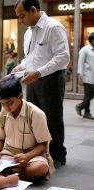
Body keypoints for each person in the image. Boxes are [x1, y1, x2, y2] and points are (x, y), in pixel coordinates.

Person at [12, 0, 70, 168]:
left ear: (33, 10)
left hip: (51, 79)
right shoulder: (28, 33)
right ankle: (40, 152)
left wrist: (38, 73)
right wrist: (21, 66)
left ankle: (58, 155)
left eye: (22, 16)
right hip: (32, 79)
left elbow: (62, 57)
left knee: (52, 117)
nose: (20, 20)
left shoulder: (54, 27)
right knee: (34, 117)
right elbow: (29, 57)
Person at [0, 75, 54, 181]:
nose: (6, 107)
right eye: (3, 104)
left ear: (20, 97)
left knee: (40, 168)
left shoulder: (36, 114)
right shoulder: (3, 112)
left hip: (32, 155)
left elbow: (43, 146)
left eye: (10, 103)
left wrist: (27, 156)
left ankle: (8, 176)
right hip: (9, 154)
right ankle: (14, 175)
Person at [75, 32, 94, 120]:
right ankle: (82, 108)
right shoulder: (85, 50)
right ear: (92, 40)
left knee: (88, 95)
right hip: (87, 77)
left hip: (93, 77)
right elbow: (80, 63)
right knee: (88, 94)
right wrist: (80, 76)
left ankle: (85, 111)